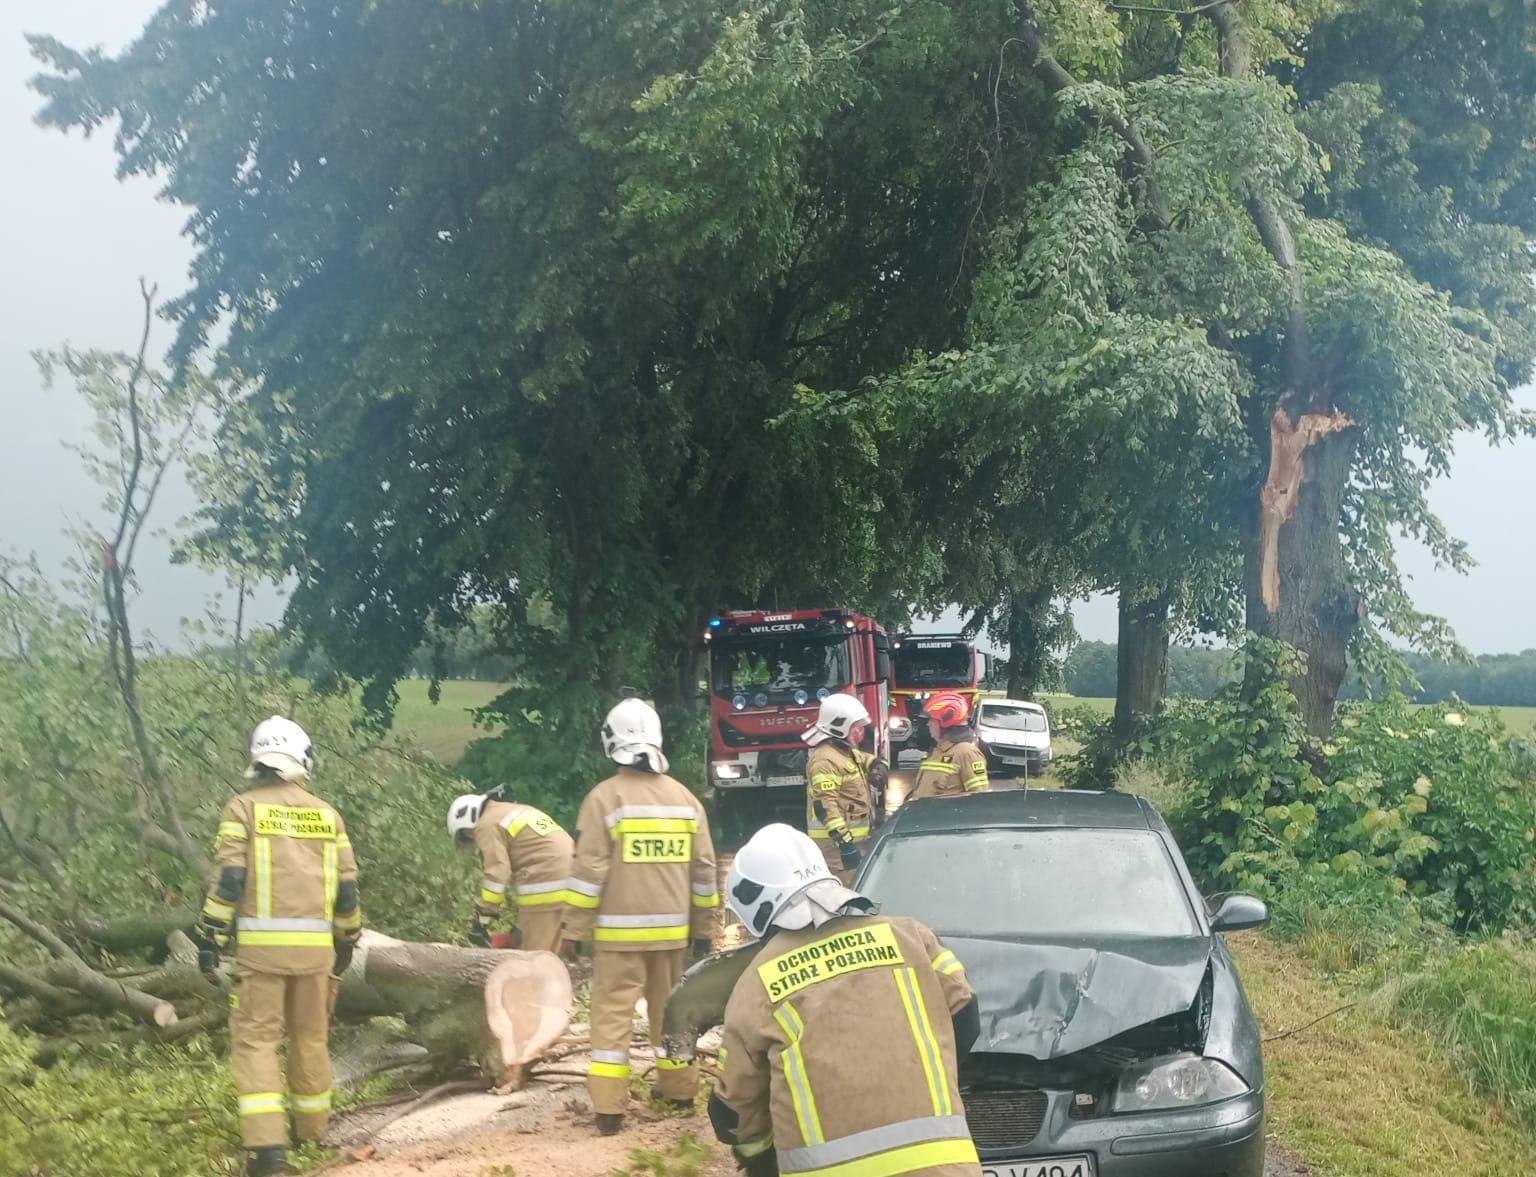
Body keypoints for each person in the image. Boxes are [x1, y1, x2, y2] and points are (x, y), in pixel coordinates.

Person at [709, 824, 981, 1177]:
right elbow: (967, 1015)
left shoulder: (756, 983)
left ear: (754, 907)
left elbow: (732, 1113)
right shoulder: (910, 936)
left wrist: (760, 1157)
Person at [197, 717, 362, 1177]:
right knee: (311, 1038)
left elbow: (230, 881)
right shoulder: (328, 815)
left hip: (261, 957)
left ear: (259, 761)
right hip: (315, 957)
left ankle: (268, 1155)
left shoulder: (242, 809)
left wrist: (209, 937)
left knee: (257, 1044)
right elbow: (347, 892)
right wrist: (347, 937)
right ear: (301, 759)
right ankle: (312, 1133)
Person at [560, 698, 719, 1134]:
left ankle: (610, 1111)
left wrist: (574, 929)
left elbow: (589, 870)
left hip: (617, 939)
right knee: (671, 1015)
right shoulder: (685, 800)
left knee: (612, 1017)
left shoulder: (604, 799)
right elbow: (704, 871)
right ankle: (681, 1092)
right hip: (672, 938)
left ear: (611, 741)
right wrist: (705, 931)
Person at [447, 788, 574, 954]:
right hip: (573, 874)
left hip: (547, 882)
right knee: (550, 948)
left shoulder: (485, 824)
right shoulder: (511, 811)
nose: (473, 837)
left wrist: (484, 918)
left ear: (468, 817)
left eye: (467, 833)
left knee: (534, 957)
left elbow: (498, 873)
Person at [802, 695, 882, 882]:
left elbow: (862, 758)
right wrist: (845, 843)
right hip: (836, 850)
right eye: (856, 728)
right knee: (846, 898)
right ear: (840, 727)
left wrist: (877, 764)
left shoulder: (843, 752)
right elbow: (825, 807)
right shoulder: (824, 760)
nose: (860, 733)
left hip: (854, 843)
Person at [909, 691, 989, 800]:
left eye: (932, 720)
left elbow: (979, 799)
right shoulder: (938, 751)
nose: (928, 724)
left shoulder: (967, 753)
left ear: (945, 722)